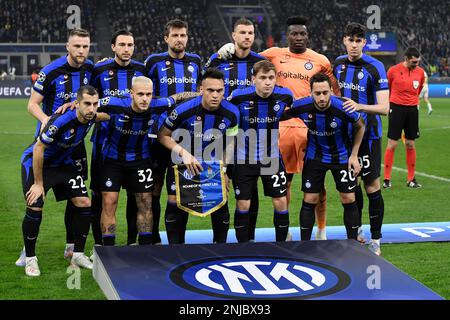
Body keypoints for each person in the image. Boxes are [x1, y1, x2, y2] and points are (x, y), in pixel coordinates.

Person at [218, 16, 340, 240]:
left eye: (271, 78)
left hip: (300, 138)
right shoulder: (270, 57)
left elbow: (331, 93)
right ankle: (252, 243)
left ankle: (311, 233)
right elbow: (247, 55)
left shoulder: (316, 63)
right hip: (261, 146)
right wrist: (222, 51)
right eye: (295, 33)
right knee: (253, 199)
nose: (267, 81)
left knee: (311, 186)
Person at [17, 28, 93, 266]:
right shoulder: (51, 71)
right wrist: (47, 121)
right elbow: (32, 104)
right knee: (36, 202)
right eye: (77, 46)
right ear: (67, 47)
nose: (81, 51)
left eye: (85, 46)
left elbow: (94, 100)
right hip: (48, 143)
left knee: (78, 198)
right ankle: (27, 253)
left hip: (74, 147)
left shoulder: (91, 69)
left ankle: (72, 247)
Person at [19, 86, 110, 276]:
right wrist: (38, 183)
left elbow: (104, 116)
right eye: (87, 104)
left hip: (64, 164)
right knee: (35, 204)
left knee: (84, 202)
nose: (91, 109)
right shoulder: (60, 121)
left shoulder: (91, 115)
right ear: (76, 104)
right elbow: (38, 149)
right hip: (38, 164)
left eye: (94, 104)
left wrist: (109, 115)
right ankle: (30, 258)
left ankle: (77, 254)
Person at [158, 68, 239, 244]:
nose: (215, 95)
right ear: (201, 89)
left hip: (214, 165)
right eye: (210, 90)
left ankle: (220, 248)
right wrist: (184, 153)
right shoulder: (182, 110)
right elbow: (163, 136)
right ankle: (176, 248)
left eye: (219, 90)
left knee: (220, 202)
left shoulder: (232, 113)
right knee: (175, 201)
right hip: (182, 163)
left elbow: (231, 142)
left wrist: (225, 171)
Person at [283, 73, 365, 241]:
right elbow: (279, 115)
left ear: (331, 92)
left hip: (341, 156)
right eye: (317, 93)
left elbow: (360, 126)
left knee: (348, 197)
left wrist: (354, 155)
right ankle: (305, 244)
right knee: (310, 198)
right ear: (310, 93)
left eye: (325, 93)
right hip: (315, 157)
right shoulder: (302, 106)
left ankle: (352, 243)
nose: (322, 97)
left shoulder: (343, 107)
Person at [205, 17, 266, 242]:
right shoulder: (220, 61)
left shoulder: (261, 62)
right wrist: (214, 56)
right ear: (233, 36)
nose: (247, 36)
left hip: (250, 137)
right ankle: (218, 240)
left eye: (250, 33)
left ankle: (247, 238)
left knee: (249, 189)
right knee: (218, 186)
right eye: (242, 32)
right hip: (219, 134)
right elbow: (204, 82)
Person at [333, 23, 389, 255]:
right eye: (350, 40)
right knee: (350, 187)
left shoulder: (375, 67)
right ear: (344, 40)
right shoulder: (337, 64)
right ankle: (356, 234)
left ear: (364, 43)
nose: (354, 45)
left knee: (372, 186)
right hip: (344, 137)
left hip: (369, 136)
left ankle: (376, 238)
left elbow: (385, 108)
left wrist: (359, 106)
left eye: (359, 40)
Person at [144, 19, 202, 244]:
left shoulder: (196, 62)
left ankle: (178, 240)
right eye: (175, 35)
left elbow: (202, 91)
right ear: (166, 38)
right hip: (158, 134)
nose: (180, 39)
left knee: (182, 190)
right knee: (155, 189)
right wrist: (173, 99)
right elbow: (144, 94)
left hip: (186, 135)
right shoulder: (154, 61)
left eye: (183, 35)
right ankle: (155, 237)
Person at [99, 76, 174, 246]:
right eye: (140, 94)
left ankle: (145, 247)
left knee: (145, 202)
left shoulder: (158, 104)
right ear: (131, 93)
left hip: (141, 159)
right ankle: (109, 249)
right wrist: (73, 104)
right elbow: (87, 104)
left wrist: (199, 96)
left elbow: (177, 98)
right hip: (113, 159)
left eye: (148, 94)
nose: (145, 98)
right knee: (109, 202)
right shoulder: (113, 103)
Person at [90, 30, 146, 247]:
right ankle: (100, 245)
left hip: (135, 143)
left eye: (130, 45)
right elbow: (88, 99)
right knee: (100, 195)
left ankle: (132, 242)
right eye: (122, 44)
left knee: (136, 195)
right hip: (104, 143)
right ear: (113, 47)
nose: (126, 49)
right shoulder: (100, 69)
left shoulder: (141, 70)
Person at [227, 60, 293, 242]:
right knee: (243, 203)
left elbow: (293, 111)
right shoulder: (238, 96)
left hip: (271, 157)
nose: (267, 82)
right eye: (263, 78)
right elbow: (227, 116)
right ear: (253, 79)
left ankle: (282, 245)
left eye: (271, 78)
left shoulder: (285, 95)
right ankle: (243, 246)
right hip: (244, 158)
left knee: (280, 201)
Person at [383, 47, 425, 189]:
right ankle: (387, 179)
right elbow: (387, 88)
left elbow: (418, 90)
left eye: (418, 62)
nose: (416, 65)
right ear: (406, 59)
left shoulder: (420, 73)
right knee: (392, 144)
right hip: (396, 108)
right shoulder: (393, 70)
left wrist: (412, 102)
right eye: (414, 62)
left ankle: (411, 179)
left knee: (410, 144)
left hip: (412, 109)